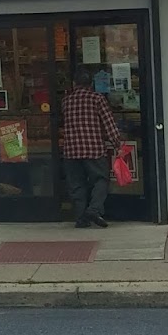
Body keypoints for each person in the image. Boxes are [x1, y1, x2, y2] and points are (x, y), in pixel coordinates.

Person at [58, 67, 122, 228]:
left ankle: (81, 218)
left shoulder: (66, 101)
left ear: (74, 83)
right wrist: (117, 143)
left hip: (71, 150)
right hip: (94, 149)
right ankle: (94, 209)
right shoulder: (97, 99)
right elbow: (108, 123)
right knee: (101, 179)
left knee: (76, 185)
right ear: (91, 84)